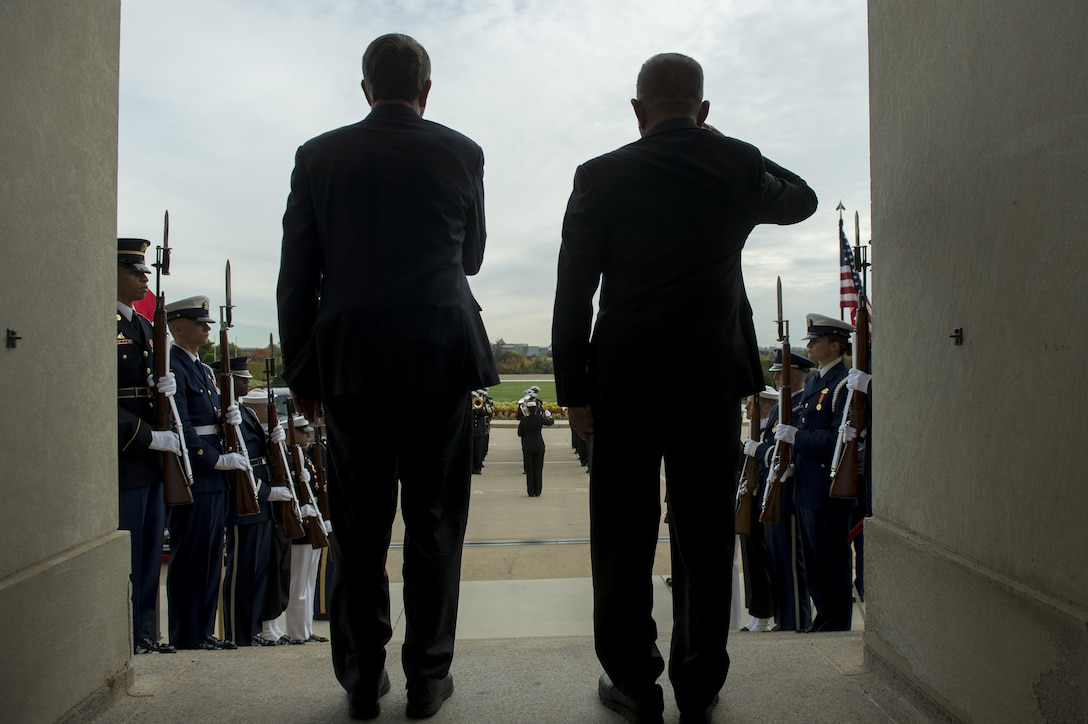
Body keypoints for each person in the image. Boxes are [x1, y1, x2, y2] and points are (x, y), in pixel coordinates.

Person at [551, 52, 817, 724]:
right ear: (703, 109)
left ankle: (633, 682)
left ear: (637, 110)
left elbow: (573, 294)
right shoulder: (731, 163)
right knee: (702, 535)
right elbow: (804, 197)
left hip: (624, 382)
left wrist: (574, 389)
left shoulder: (601, 175)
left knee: (621, 538)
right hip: (708, 381)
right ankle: (698, 681)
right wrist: (728, 145)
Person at [276, 33, 497, 721]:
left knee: (360, 529)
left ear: (365, 88)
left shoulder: (317, 156)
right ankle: (429, 677)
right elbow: (474, 256)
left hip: (351, 364)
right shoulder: (461, 151)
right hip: (438, 353)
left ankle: (362, 680)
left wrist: (301, 366)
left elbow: (296, 277)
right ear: (425, 90)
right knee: (435, 526)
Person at [165, 295, 249, 651]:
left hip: (215, 477)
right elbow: (180, 422)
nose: (206, 328)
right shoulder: (174, 364)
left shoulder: (200, 367)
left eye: (207, 324)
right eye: (199, 323)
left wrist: (226, 419)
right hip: (196, 473)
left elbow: (207, 417)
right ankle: (187, 634)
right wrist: (211, 459)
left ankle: (203, 631)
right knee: (192, 558)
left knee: (212, 557)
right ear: (176, 325)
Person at [773, 314, 855, 632]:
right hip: (807, 485)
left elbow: (837, 440)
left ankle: (836, 620)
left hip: (827, 485)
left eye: (815, 340)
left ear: (834, 345)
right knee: (816, 561)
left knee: (832, 559)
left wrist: (796, 437)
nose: (810, 345)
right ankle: (825, 615)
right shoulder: (819, 382)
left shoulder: (844, 384)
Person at [116, 237, 178, 655]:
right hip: (129, 456)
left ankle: (143, 631)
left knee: (150, 551)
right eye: (135, 271)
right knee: (132, 555)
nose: (144, 278)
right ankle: (127, 634)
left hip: (152, 463)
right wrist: (148, 436)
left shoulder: (140, 326)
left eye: (144, 271)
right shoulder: (106, 324)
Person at [746, 352, 815, 633]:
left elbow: (790, 452)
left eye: (780, 373)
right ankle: (784, 620)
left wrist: (760, 451)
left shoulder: (803, 405)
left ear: (797, 375)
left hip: (789, 494)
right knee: (777, 563)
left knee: (791, 566)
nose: (775, 378)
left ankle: (796, 621)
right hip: (772, 491)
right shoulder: (779, 409)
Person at [220, 359, 279, 647]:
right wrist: (264, 491)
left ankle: (252, 628)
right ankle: (237, 632)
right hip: (246, 499)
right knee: (241, 572)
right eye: (241, 378)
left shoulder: (245, 412)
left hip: (259, 498)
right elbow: (238, 457)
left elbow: (260, 455)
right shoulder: (227, 412)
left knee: (258, 570)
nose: (247, 382)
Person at [736, 390, 777, 633]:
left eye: (750, 405)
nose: (746, 410)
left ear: (764, 408)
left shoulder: (769, 432)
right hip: (750, 502)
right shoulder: (758, 433)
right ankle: (756, 613)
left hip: (763, 502)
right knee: (751, 558)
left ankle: (763, 614)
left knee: (761, 560)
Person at [517, 400, 554, 496]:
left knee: (529, 469)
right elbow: (551, 422)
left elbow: (519, 433)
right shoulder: (539, 418)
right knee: (538, 468)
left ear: (528, 410)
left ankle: (531, 491)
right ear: (536, 410)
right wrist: (548, 415)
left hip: (528, 446)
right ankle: (538, 491)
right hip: (539, 445)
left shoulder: (524, 420)